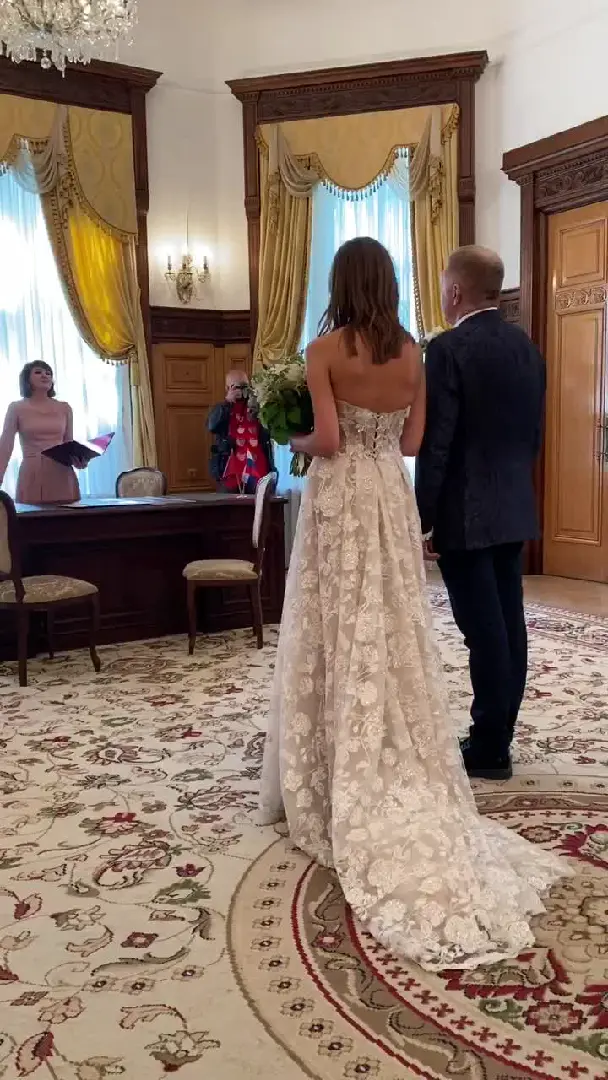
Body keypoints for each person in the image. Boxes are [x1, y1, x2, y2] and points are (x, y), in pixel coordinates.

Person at [259, 236, 567, 972]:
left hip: (346, 498)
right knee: (402, 618)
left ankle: (341, 749)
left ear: (339, 284)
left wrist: (287, 431)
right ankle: (460, 737)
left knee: (338, 617)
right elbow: (413, 438)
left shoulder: (323, 350)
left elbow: (328, 438)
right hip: (415, 497)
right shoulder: (419, 354)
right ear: (391, 284)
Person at [415, 246, 545, 782]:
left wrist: (423, 516)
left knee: (483, 631)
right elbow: (532, 435)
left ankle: (490, 745)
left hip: (465, 512)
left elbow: (437, 442)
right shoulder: (526, 347)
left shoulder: (447, 349)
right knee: (509, 625)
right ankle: (497, 733)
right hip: (513, 503)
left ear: (455, 291)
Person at [0, 361, 81, 504]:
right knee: (33, 516)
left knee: (67, 516)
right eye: (38, 372)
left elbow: (68, 443)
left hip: (62, 471)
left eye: (48, 373)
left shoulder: (65, 408)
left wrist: (79, 459)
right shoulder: (16, 408)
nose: (45, 375)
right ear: (27, 379)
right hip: (32, 471)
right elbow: (6, 445)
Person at [207, 370, 273, 493]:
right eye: (237, 387)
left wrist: (259, 408)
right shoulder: (222, 408)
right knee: (227, 503)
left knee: (260, 503)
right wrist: (227, 402)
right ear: (228, 388)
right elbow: (211, 426)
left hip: (257, 470)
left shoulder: (257, 405)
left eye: (245, 386)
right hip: (230, 471)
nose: (242, 391)